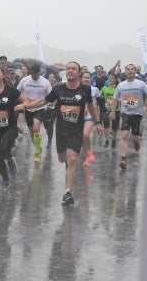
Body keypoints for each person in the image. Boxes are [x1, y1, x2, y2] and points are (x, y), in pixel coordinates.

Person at [25, 61, 103, 206]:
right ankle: (66, 162)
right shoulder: (58, 89)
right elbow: (44, 101)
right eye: (68, 69)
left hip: (76, 129)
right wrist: (26, 105)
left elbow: (91, 107)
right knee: (62, 159)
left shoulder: (85, 89)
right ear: (66, 72)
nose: (70, 71)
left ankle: (68, 192)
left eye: (74, 69)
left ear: (78, 72)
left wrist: (98, 122)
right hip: (61, 129)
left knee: (72, 159)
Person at [110, 63, 147, 170]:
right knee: (124, 135)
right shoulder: (121, 85)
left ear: (135, 71)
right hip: (125, 113)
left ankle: (136, 143)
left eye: (132, 69)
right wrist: (113, 111)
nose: (130, 71)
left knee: (135, 138)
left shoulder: (141, 84)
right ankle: (123, 159)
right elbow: (115, 99)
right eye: (128, 69)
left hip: (137, 114)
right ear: (125, 72)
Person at [16, 63, 53, 164]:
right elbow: (17, 92)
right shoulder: (24, 80)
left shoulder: (45, 82)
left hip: (41, 108)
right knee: (32, 133)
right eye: (32, 73)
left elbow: (50, 96)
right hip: (28, 108)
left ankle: (36, 152)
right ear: (29, 72)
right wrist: (21, 102)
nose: (34, 76)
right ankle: (38, 147)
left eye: (36, 74)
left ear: (39, 72)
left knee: (36, 128)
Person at [100, 72, 120, 148]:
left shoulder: (118, 89)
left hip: (116, 109)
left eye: (112, 78)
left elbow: (122, 98)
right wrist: (101, 98)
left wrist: (117, 99)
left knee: (115, 126)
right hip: (106, 108)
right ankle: (107, 140)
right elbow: (99, 95)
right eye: (109, 78)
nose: (110, 79)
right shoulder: (104, 88)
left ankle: (114, 139)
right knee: (106, 124)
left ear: (115, 80)